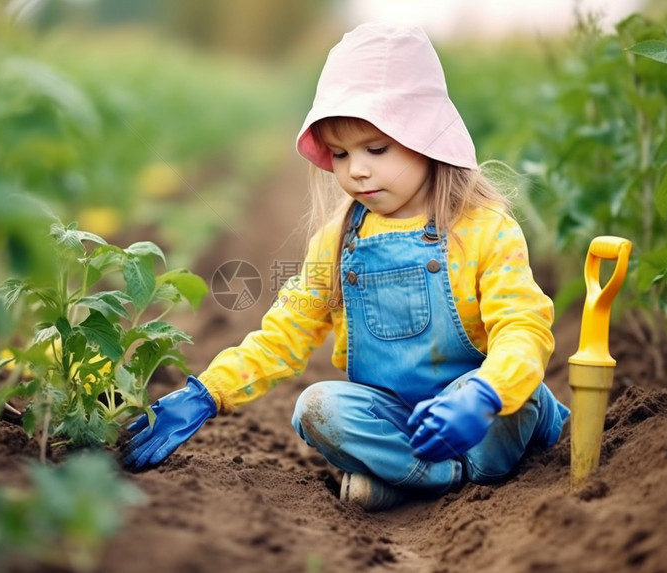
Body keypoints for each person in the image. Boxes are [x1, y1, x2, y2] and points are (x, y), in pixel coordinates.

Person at [122, 22, 570, 512]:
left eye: (376, 150)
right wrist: (207, 393)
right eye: (340, 154)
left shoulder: (482, 229)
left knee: (511, 396)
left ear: (426, 141)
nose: (355, 169)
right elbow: (282, 336)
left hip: (484, 409)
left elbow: (523, 329)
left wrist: (484, 393)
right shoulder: (336, 244)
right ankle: (437, 477)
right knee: (317, 408)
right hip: (400, 418)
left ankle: (407, 477)